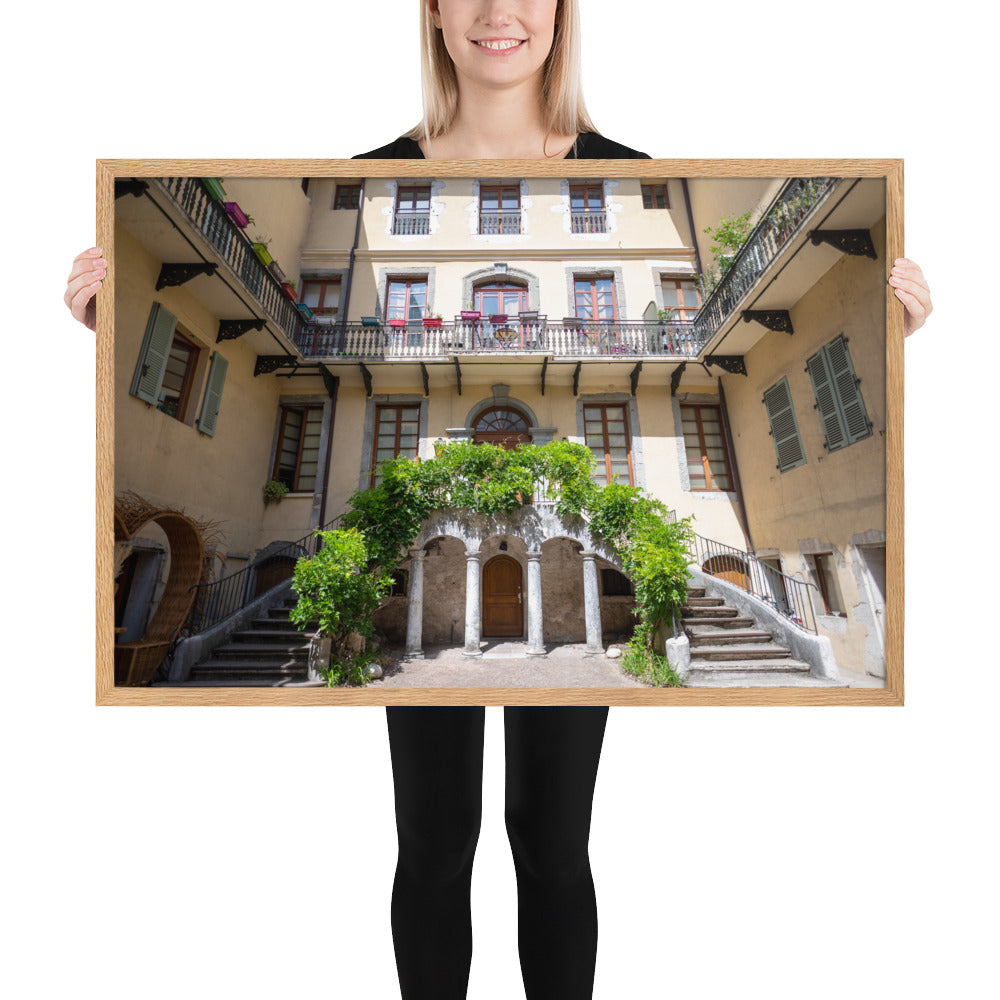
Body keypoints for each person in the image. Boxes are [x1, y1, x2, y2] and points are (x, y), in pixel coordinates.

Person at [65, 3, 933, 998]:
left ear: (565, 15)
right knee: (435, 846)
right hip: (426, 565)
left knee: (552, 845)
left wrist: (891, 335)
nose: (496, 11)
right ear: (429, 15)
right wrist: (109, 319)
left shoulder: (635, 165)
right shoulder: (364, 168)